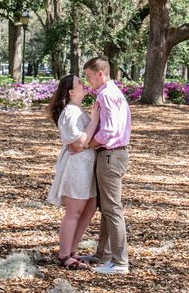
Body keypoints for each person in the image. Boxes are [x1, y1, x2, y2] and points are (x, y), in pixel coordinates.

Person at [68, 57, 131, 275]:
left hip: (110, 156)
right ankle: (103, 254)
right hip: (113, 155)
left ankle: (120, 261)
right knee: (105, 207)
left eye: (89, 76)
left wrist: (87, 146)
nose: (88, 81)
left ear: (100, 73)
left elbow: (109, 131)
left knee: (112, 209)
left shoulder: (106, 95)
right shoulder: (114, 93)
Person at [47, 74, 100, 270]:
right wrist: (94, 119)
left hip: (87, 166)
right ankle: (63, 255)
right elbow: (78, 141)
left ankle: (72, 250)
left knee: (89, 208)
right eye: (80, 82)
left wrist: (86, 143)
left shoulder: (78, 110)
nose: (84, 84)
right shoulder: (70, 112)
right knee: (74, 211)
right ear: (71, 92)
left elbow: (84, 142)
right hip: (77, 167)